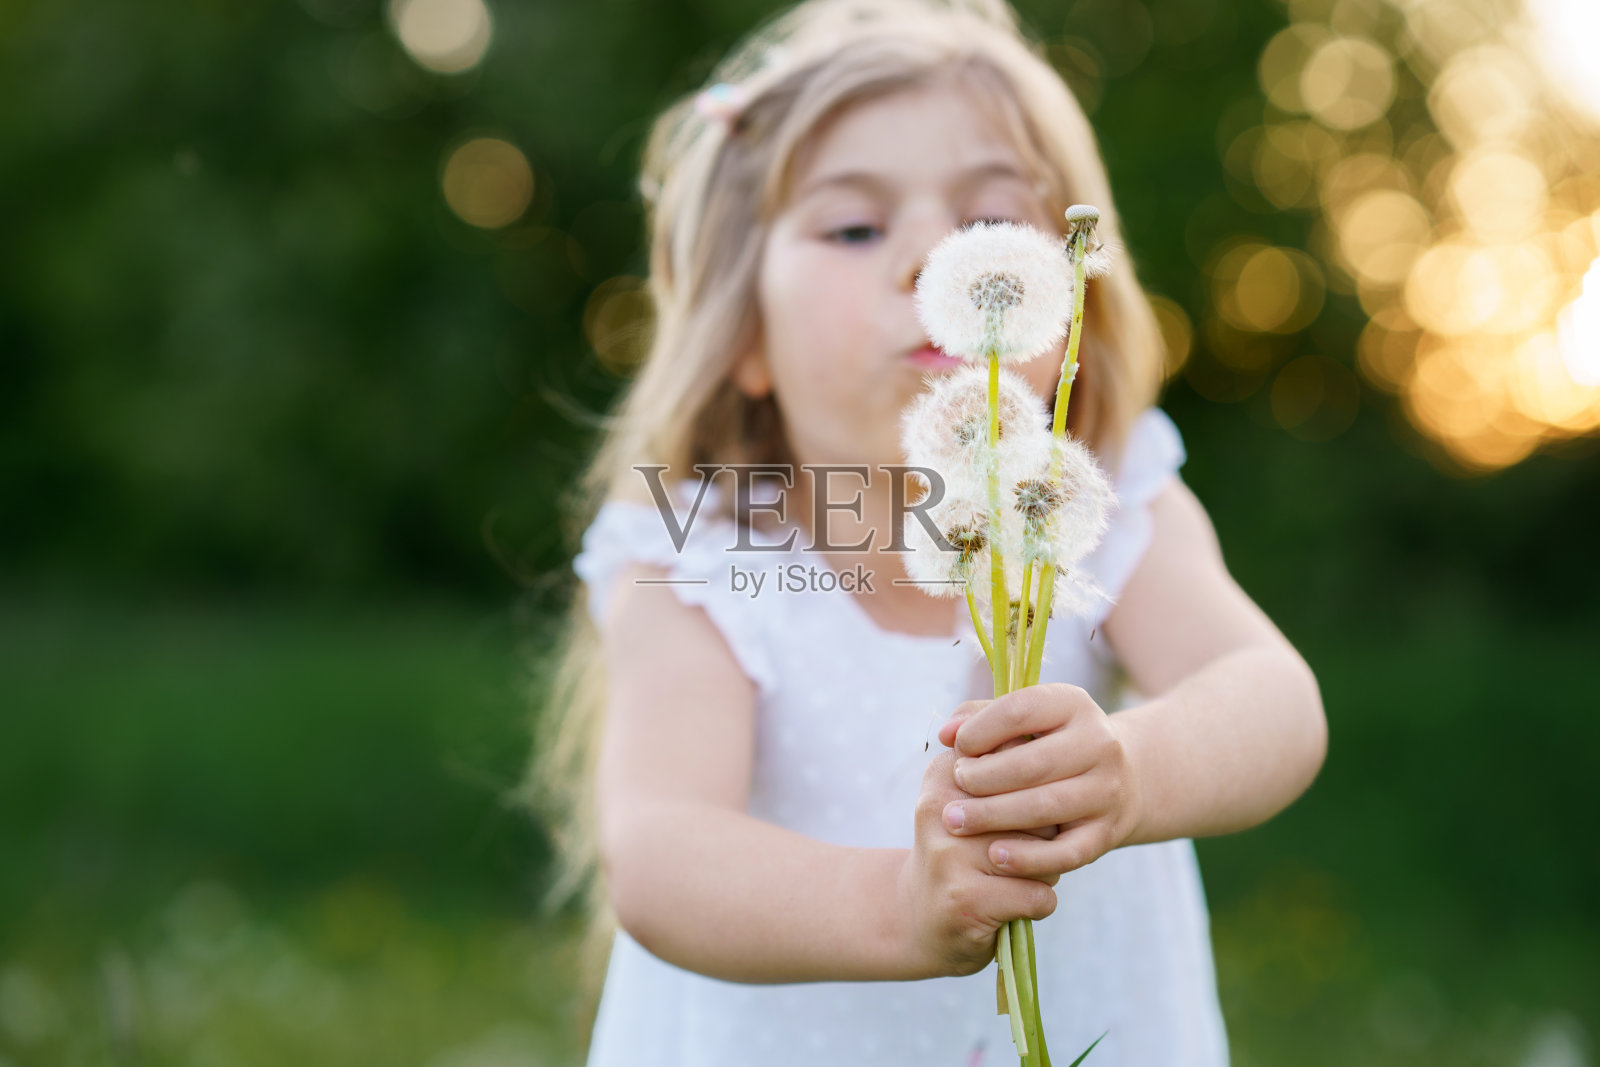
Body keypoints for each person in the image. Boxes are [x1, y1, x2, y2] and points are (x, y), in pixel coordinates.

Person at [522, 1, 1328, 1063]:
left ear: (1064, 293)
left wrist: (1128, 769)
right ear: (744, 333)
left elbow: (1273, 700)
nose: (926, 256)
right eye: (853, 227)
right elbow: (663, 851)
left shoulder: (1108, 499)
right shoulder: (700, 556)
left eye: (990, 222)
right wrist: (900, 904)